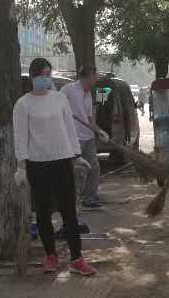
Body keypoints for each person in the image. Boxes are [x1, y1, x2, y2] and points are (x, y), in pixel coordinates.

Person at [14, 58, 97, 276]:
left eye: (48, 74)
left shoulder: (60, 99)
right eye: (43, 74)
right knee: (43, 213)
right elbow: (20, 137)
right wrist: (21, 166)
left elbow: (69, 129)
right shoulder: (23, 104)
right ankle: (50, 255)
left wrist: (76, 156)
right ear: (33, 76)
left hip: (62, 161)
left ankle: (76, 258)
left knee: (69, 211)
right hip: (37, 164)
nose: (46, 79)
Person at [62, 65, 105, 211]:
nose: (96, 78)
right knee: (77, 171)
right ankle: (72, 201)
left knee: (94, 168)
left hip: (88, 137)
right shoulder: (69, 89)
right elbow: (57, 104)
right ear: (87, 76)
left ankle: (89, 198)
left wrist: (99, 131)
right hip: (74, 138)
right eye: (94, 75)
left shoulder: (89, 94)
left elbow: (89, 118)